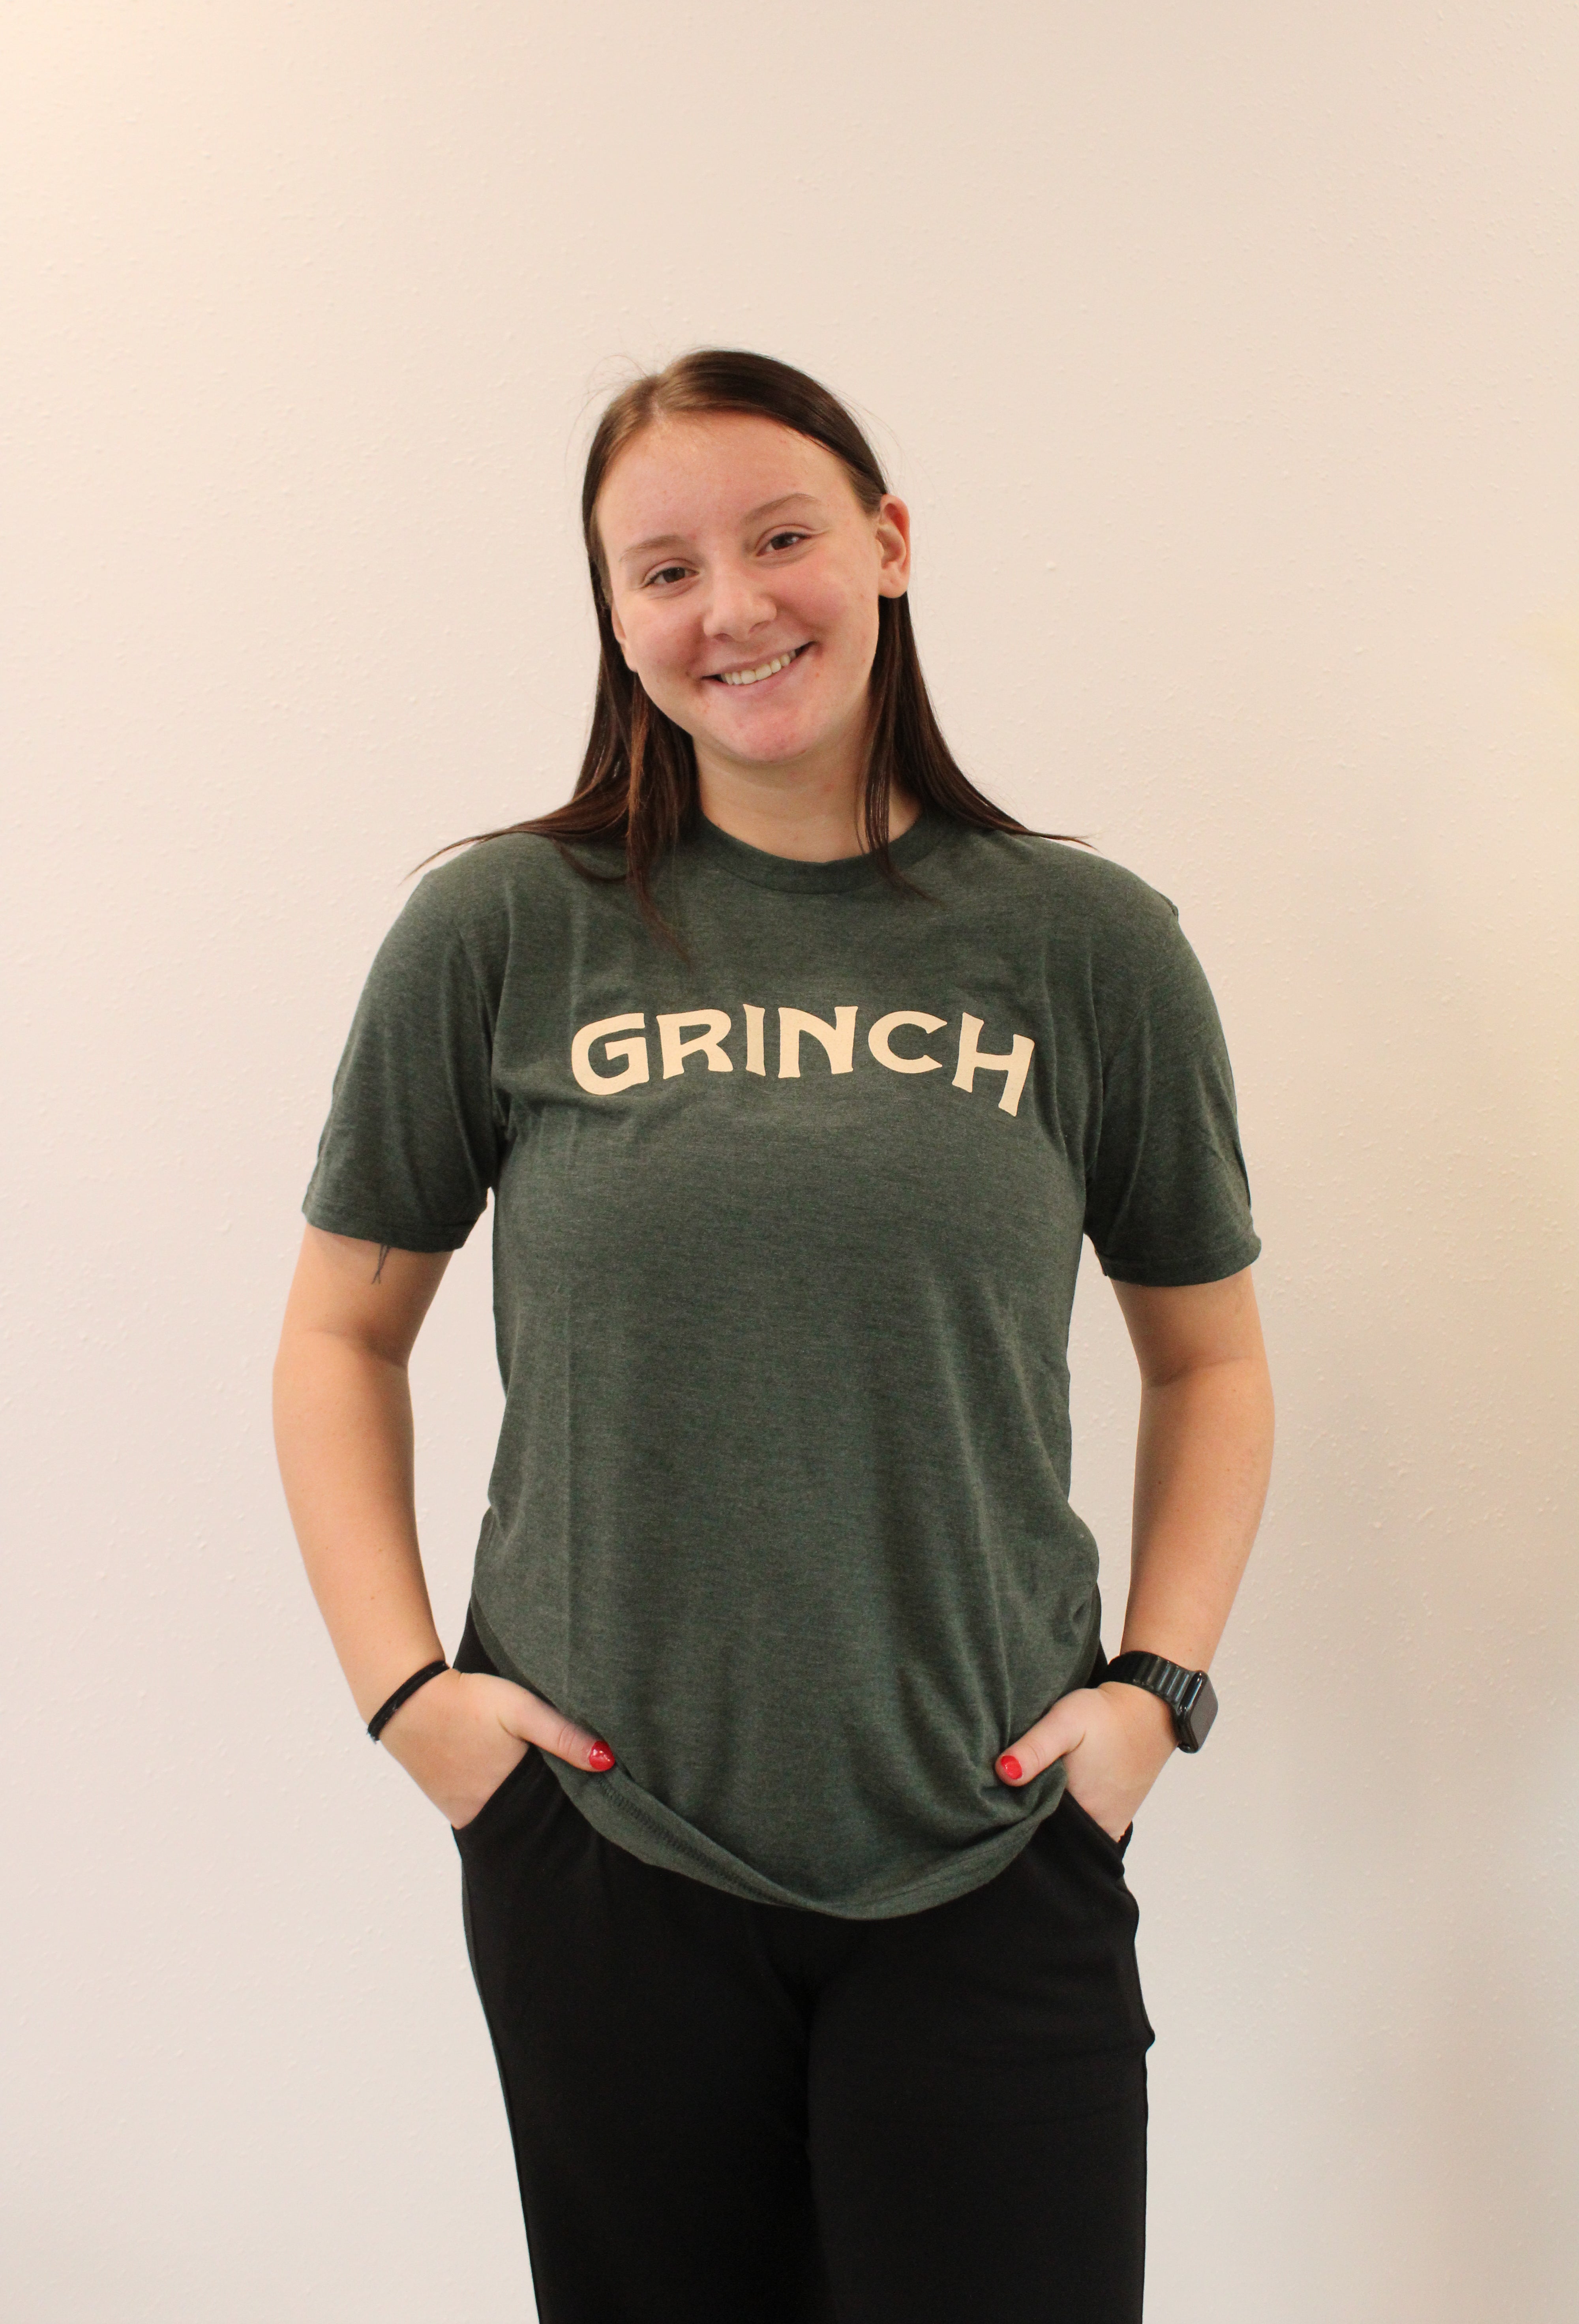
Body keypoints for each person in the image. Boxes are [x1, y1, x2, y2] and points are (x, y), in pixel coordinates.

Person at [272, 347, 1274, 2323]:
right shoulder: (502, 930)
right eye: (662, 571)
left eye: (780, 538)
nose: (728, 608)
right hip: (604, 1850)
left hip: (994, 1843)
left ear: (886, 545)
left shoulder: (1085, 947)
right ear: (613, 613)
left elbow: (1210, 1360)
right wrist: (415, 1706)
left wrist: (1152, 1696)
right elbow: (337, 1338)